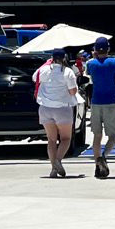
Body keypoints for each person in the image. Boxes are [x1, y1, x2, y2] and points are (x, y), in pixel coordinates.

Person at [33, 48, 80, 178]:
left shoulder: (43, 70)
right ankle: (57, 161)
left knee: (51, 140)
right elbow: (72, 92)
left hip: (45, 108)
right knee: (65, 138)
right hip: (62, 108)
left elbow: (34, 78)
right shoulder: (68, 72)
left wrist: (45, 64)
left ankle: (54, 169)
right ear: (64, 58)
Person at [83, 39, 115, 177]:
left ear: (96, 49)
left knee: (97, 135)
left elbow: (87, 78)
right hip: (110, 102)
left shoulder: (91, 64)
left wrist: (94, 56)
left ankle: (97, 164)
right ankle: (103, 156)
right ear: (108, 49)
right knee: (113, 135)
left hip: (96, 102)